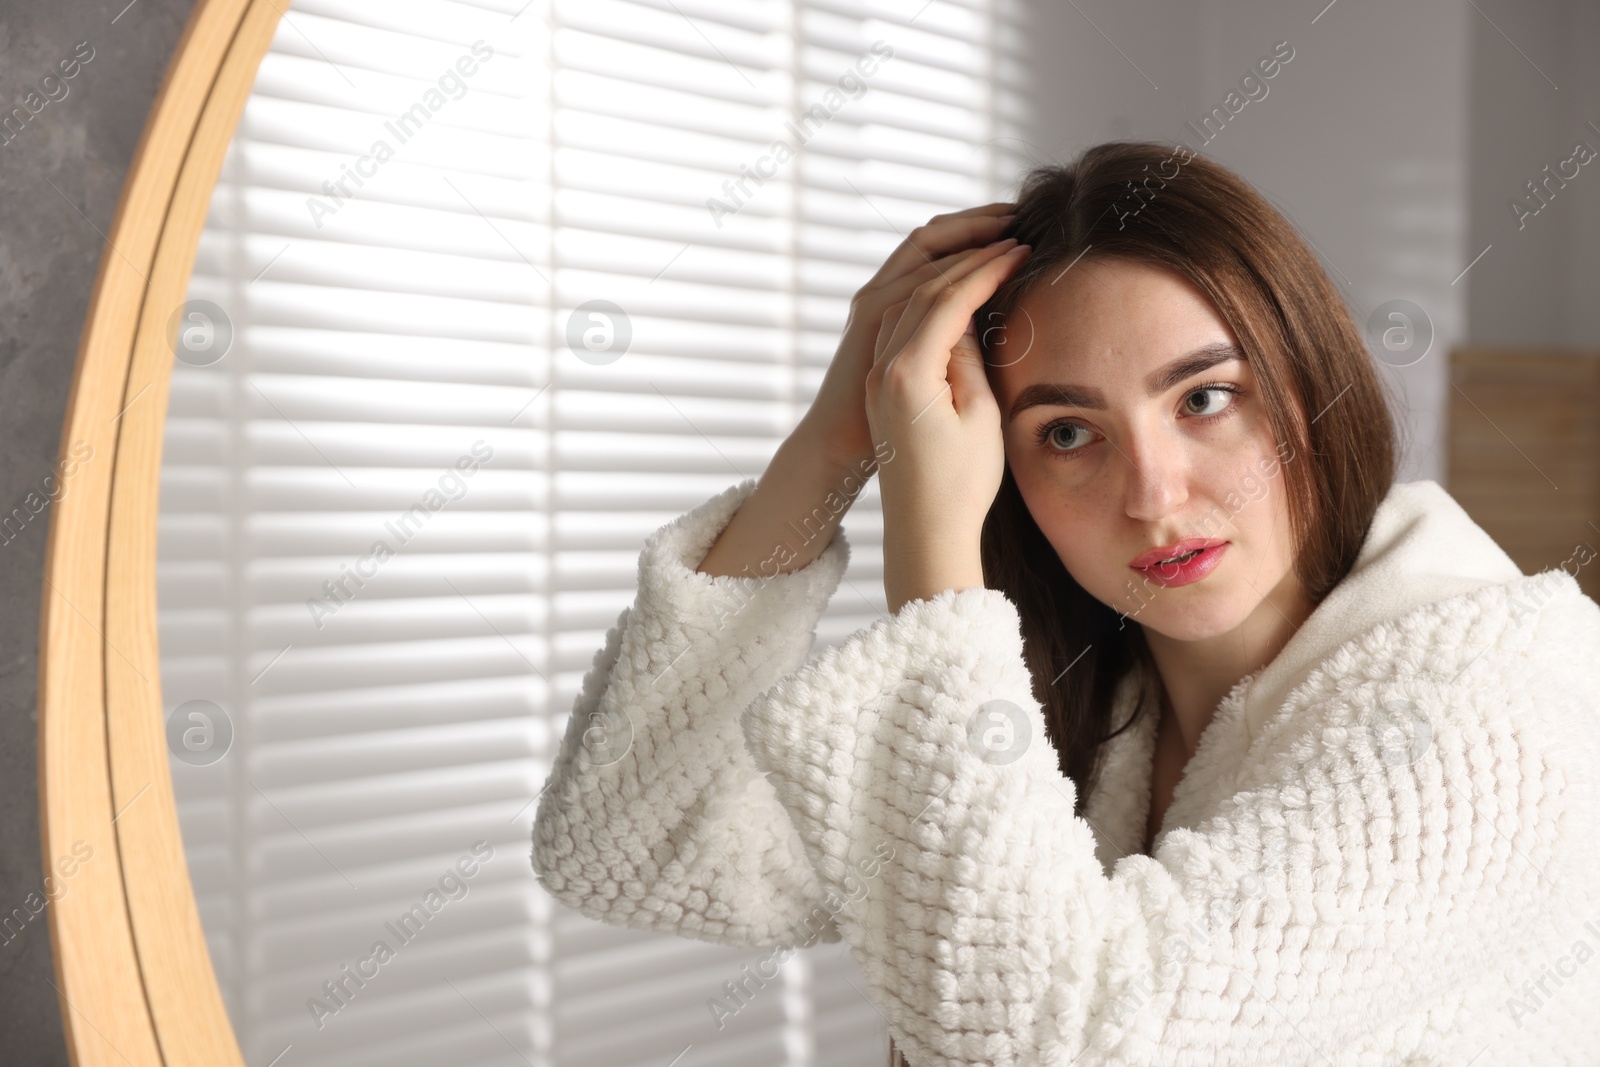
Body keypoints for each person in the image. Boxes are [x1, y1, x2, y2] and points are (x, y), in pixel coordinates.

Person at [530, 141, 1600, 1066]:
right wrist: (830, 448)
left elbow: (1063, 1040)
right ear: (1005, 462)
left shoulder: (1492, 707)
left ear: (1313, 388)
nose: (1154, 495)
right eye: (1068, 431)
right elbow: (636, 842)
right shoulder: (1079, 706)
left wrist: (930, 559)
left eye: (1206, 398)